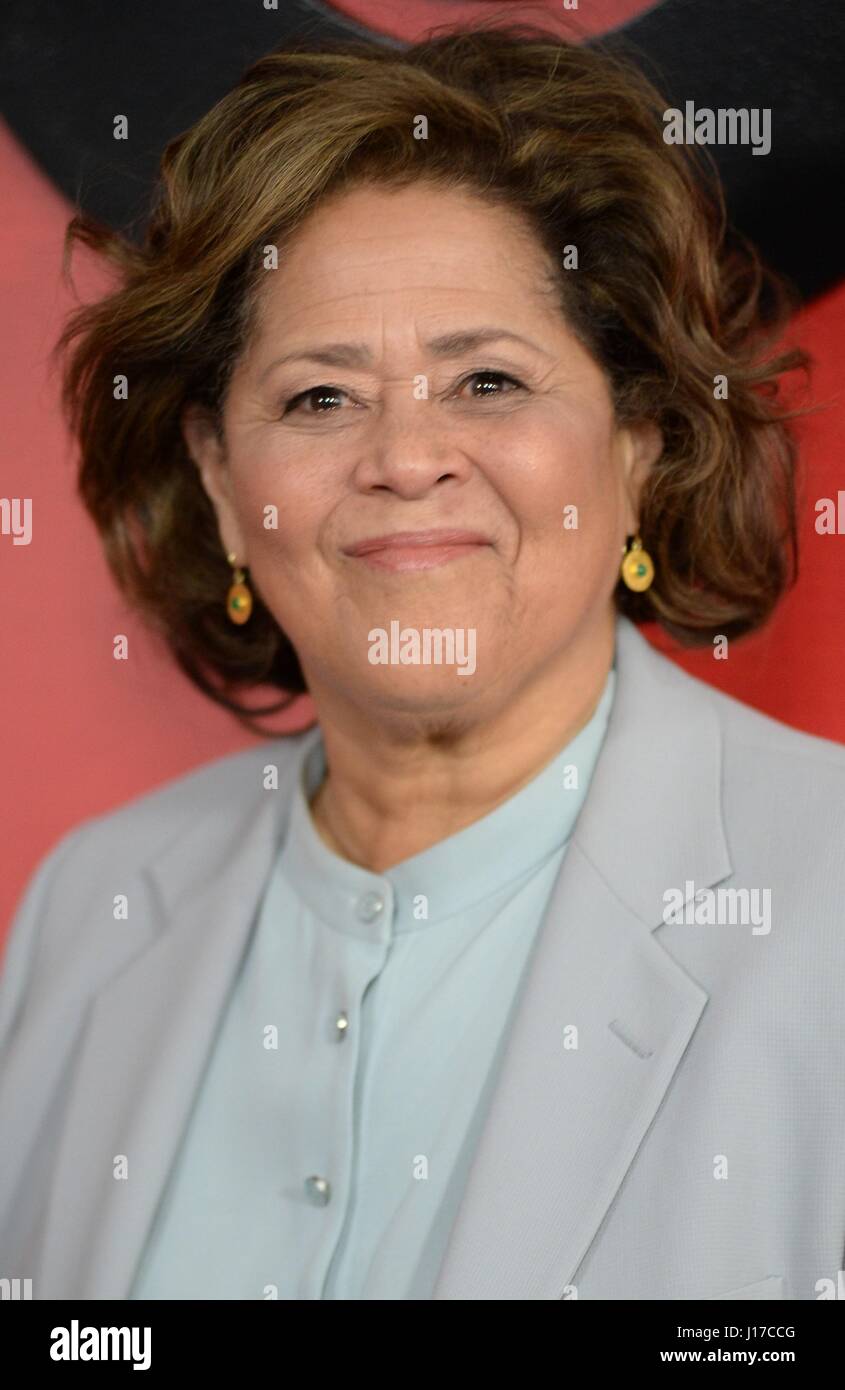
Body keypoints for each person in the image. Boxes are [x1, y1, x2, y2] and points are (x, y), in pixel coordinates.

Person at [1, 27, 844, 1302]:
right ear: (223, 487)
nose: (405, 457)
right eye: (319, 399)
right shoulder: (90, 905)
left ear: (637, 452)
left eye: (488, 380)